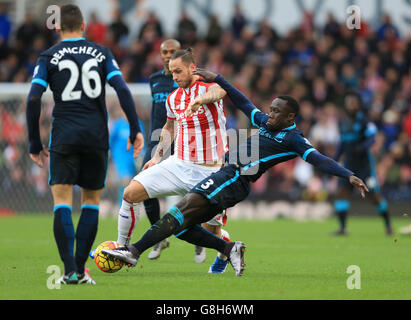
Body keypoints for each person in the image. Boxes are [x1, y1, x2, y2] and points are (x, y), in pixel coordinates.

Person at [103, 70, 369, 277]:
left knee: (180, 210)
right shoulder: (267, 123)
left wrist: (348, 174)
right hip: (226, 174)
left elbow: (319, 159)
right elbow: (243, 102)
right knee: (182, 230)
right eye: (271, 108)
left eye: (277, 111)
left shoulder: (293, 139)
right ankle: (229, 249)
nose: (270, 113)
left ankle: (134, 250)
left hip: (234, 178)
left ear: (291, 118)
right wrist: (219, 79)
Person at [26, 4, 144, 285]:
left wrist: (34, 141)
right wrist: (135, 129)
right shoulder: (101, 53)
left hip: (64, 136)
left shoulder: (49, 55)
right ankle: (80, 270)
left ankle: (69, 272)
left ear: (58, 28)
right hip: (95, 137)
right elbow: (123, 90)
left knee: (62, 202)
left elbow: (33, 98)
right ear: (83, 27)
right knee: (91, 202)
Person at [115, 48, 232, 273]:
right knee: (130, 193)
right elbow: (169, 127)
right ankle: (122, 248)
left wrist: (200, 100)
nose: (175, 77)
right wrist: (157, 157)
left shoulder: (208, 88)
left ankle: (226, 251)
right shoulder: (173, 98)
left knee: (210, 232)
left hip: (209, 173)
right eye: (171, 72)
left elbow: (220, 91)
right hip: (178, 165)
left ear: (192, 68)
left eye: (178, 71)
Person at [332, 92, 392, 236]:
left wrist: (362, 147)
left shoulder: (365, 121)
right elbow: (341, 144)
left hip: (365, 166)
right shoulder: (343, 122)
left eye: (353, 103)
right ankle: (342, 228)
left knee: (373, 196)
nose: (350, 105)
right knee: (342, 194)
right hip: (348, 165)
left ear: (358, 105)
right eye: (348, 103)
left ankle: (388, 225)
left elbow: (372, 138)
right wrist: (334, 160)